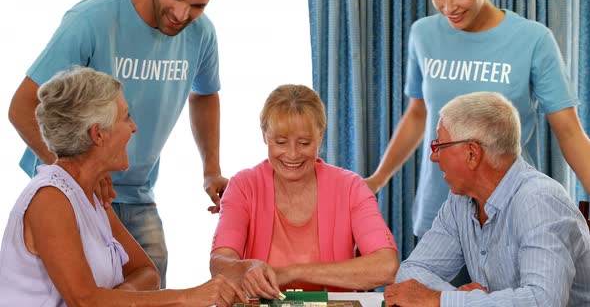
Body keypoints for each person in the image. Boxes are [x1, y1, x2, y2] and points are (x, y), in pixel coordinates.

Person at [8, 0, 226, 287]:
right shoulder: (90, 20)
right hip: (72, 193)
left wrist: (211, 169)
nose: (181, 13)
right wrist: (75, 176)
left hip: (137, 193)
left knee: (149, 285)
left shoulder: (202, 35)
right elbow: (21, 107)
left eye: (198, 6)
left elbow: (205, 93)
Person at [0, 67, 246, 307]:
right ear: (98, 134)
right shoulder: (50, 199)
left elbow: (147, 272)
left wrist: (120, 296)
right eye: (126, 116)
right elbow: (84, 300)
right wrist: (186, 297)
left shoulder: (91, 194)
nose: (134, 126)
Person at [364, 0, 590, 242]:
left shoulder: (533, 39)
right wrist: (378, 179)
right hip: (439, 212)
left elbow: (569, 132)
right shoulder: (423, 34)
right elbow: (418, 114)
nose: (449, 7)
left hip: (511, 214)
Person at [383, 92, 590, 307]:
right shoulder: (459, 202)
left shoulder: (539, 201)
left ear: (472, 153)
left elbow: (544, 301)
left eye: (439, 146)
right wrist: (470, 302)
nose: (433, 157)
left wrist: (442, 300)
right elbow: (411, 273)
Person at [209, 84, 399, 299]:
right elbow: (219, 263)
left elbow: (386, 266)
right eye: (280, 142)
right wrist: (245, 267)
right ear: (264, 136)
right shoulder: (243, 185)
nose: (292, 154)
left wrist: (292, 272)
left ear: (320, 135)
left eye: (304, 143)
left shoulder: (351, 186)